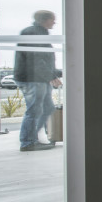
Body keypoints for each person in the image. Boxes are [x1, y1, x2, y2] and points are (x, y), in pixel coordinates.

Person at [14, 9, 63, 151]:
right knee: (34, 110)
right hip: (32, 79)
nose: (54, 22)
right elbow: (36, 59)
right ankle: (28, 142)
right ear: (45, 20)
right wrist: (51, 76)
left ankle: (31, 138)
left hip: (39, 78)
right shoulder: (33, 33)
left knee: (48, 108)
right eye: (53, 19)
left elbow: (44, 59)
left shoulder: (39, 32)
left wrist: (55, 73)